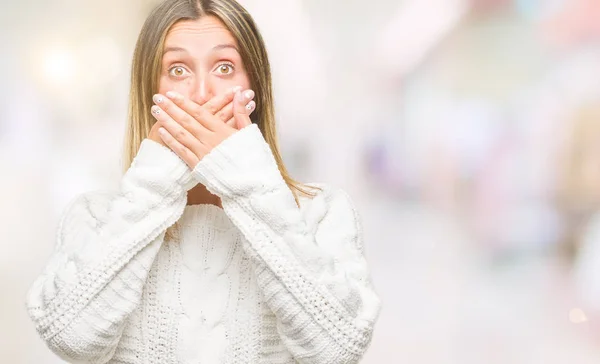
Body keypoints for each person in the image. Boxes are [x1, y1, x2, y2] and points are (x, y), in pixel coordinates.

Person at [25, 0, 381, 363]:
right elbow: (71, 338)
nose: (201, 94)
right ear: (150, 92)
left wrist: (248, 183)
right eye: (177, 70)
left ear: (255, 89)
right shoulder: (95, 217)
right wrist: (154, 183)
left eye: (224, 67)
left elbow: (339, 347)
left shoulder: (320, 213)